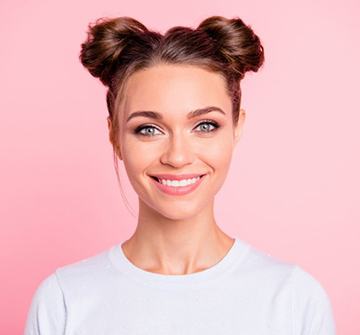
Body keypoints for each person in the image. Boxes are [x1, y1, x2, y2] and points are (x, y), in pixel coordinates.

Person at [23, 15, 336, 334]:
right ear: (115, 135)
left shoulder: (294, 300)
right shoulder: (64, 301)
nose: (178, 157)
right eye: (148, 129)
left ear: (237, 126)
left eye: (205, 126)